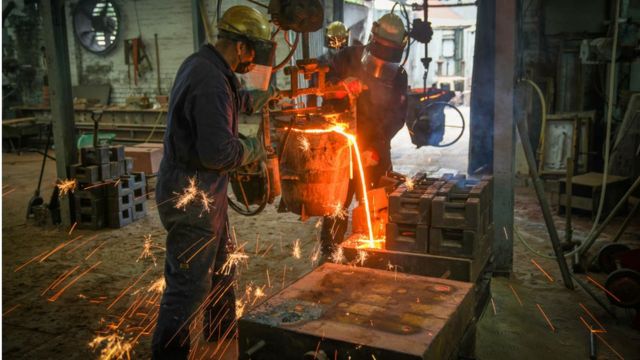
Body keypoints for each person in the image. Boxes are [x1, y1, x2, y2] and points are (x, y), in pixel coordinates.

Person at [151, 6, 276, 359]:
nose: (252, 61)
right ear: (240, 46)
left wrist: (265, 97)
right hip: (193, 193)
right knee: (188, 286)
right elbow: (218, 154)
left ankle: (220, 335)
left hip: (203, 188)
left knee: (223, 265)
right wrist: (256, 149)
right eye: (253, 52)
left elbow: (233, 99)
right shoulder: (210, 81)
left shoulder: (204, 65)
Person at [320, 12, 409, 255]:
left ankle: (371, 254)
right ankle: (330, 252)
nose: (382, 57)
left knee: (376, 204)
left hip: (375, 150)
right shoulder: (346, 58)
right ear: (372, 39)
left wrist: (375, 146)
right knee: (337, 204)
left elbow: (397, 117)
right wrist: (340, 86)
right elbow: (323, 87)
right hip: (341, 146)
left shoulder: (398, 76)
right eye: (381, 47)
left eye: (391, 50)